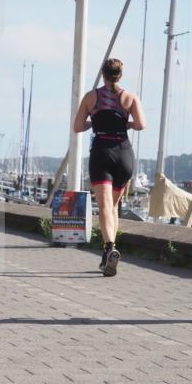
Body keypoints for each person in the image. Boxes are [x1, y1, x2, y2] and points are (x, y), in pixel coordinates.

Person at [73, 58, 146, 276]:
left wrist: (94, 122)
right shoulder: (130, 97)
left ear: (103, 74)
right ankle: (110, 250)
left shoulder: (90, 97)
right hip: (123, 153)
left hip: (102, 151)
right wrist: (126, 123)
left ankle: (109, 248)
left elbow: (78, 126)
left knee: (105, 206)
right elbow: (141, 125)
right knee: (113, 207)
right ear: (120, 75)